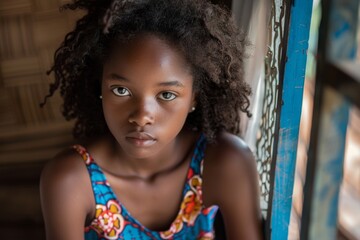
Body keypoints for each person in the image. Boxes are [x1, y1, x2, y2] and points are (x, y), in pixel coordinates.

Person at [40, 0, 263, 239]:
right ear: (100, 88)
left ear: (193, 99)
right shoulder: (71, 181)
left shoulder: (224, 162)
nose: (141, 116)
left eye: (166, 95)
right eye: (121, 90)